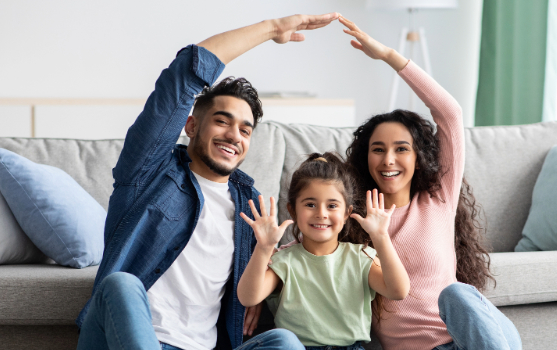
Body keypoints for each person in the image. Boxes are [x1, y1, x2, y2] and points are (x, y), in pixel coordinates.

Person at [75, 13, 341, 350]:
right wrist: (272, 29)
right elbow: (185, 72)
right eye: (222, 121)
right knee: (122, 285)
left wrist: (260, 276)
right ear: (191, 126)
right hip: (132, 339)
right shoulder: (149, 172)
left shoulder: (252, 207)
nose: (234, 135)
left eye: (245, 129)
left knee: (283, 342)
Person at [339, 16, 523, 350]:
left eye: (401, 149)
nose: (389, 160)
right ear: (365, 158)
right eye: (377, 150)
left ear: (419, 156)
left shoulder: (438, 198)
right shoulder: (353, 219)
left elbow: (450, 114)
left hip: (466, 342)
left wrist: (389, 57)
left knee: (456, 294)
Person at [236, 152, 410, 350]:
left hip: (350, 347)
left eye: (332, 206)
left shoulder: (360, 256)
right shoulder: (285, 260)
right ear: (292, 211)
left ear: (346, 213)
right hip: (297, 347)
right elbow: (248, 297)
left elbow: (399, 291)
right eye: (310, 204)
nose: (321, 214)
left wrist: (381, 237)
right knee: (284, 340)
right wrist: (264, 247)